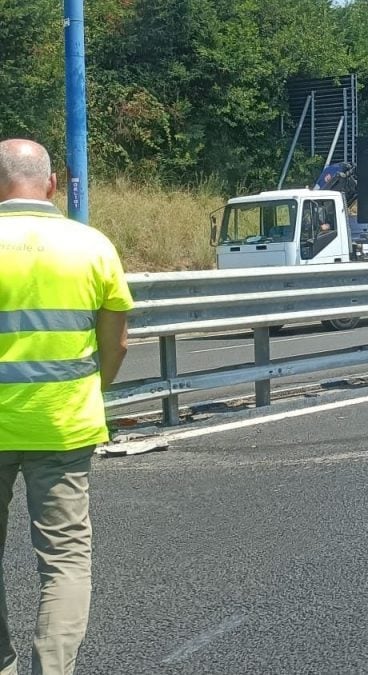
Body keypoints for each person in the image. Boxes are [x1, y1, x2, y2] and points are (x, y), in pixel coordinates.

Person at [0, 139, 132, 674]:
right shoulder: (91, 246)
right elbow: (116, 342)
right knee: (64, 563)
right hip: (63, 424)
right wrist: (90, 392)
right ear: (52, 184)